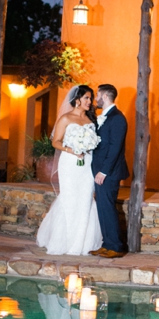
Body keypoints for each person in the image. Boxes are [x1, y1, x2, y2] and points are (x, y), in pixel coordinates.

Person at [36, 85, 103, 255]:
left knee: (86, 198)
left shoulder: (92, 120)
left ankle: (82, 243)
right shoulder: (66, 118)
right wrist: (71, 149)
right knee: (69, 198)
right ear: (77, 99)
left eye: (91, 98)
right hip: (70, 162)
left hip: (86, 163)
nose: (90, 101)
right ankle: (62, 241)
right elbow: (56, 141)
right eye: (87, 98)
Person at [89, 84, 129, 258]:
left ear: (104, 96)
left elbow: (115, 148)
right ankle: (107, 244)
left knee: (108, 207)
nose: (95, 98)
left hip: (109, 172)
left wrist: (104, 171)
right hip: (100, 170)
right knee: (103, 208)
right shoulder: (103, 116)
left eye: (97, 94)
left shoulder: (117, 118)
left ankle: (116, 247)